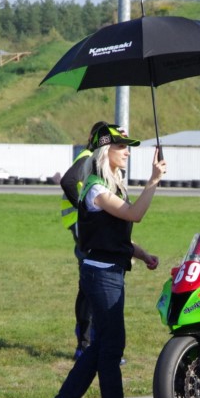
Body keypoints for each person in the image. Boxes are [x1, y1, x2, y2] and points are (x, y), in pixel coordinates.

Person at [49, 126, 166, 398]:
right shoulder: (97, 190)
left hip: (108, 271)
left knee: (103, 343)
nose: (127, 152)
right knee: (112, 343)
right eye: (121, 146)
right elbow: (135, 214)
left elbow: (115, 235)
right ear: (105, 150)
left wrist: (143, 254)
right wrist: (153, 180)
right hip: (101, 275)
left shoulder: (109, 186)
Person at [58, 121, 114, 358]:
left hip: (87, 227)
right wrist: (83, 209)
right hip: (82, 227)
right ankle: (85, 343)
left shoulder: (95, 160)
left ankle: (91, 341)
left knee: (93, 283)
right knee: (91, 284)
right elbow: (68, 181)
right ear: (93, 137)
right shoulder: (88, 157)